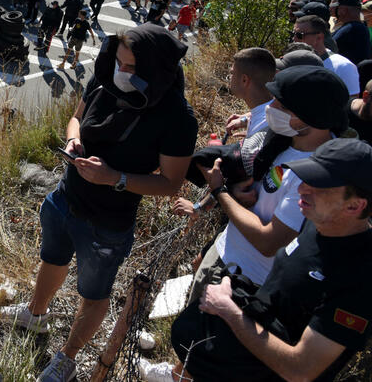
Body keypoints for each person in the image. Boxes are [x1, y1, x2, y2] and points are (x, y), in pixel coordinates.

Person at [0, 25, 197, 382]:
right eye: (120, 62)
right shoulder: (106, 79)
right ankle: (36, 314)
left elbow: (170, 183)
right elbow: (76, 117)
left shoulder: (177, 118)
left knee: (93, 294)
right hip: (66, 197)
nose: (123, 72)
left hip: (108, 222)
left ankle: (67, 357)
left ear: (157, 69)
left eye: (133, 68)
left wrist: (115, 178)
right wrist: (73, 140)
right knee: (52, 258)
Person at [144, 139, 372, 382]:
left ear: (355, 205)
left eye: (320, 186)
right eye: (307, 178)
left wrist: (229, 312)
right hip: (240, 359)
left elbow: (300, 370)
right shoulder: (316, 223)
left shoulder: (360, 279)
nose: (303, 189)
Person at [186, 65, 349, 311]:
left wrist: (220, 192)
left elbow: (268, 241)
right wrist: (237, 195)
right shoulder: (280, 139)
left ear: (313, 116)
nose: (270, 108)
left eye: (282, 106)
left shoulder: (317, 175)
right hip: (225, 252)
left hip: (246, 283)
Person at [291, 14, 360, 97]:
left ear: (319, 37)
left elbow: (351, 103)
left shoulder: (343, 66)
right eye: (292, 34)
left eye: (299, 35)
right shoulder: (291, 62)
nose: (294, 39)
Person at [223, 48, 277, 139]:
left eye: (232, 74)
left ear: (244, 80)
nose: (230, 78)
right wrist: (244, 119)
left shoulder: (262, 130)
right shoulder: (271, 111)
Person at [330, 0, 371, 65]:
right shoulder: (356, 27)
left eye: (336, 8)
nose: (331, 9)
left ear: (344, 10)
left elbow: (330, 48)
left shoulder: (352, 29)